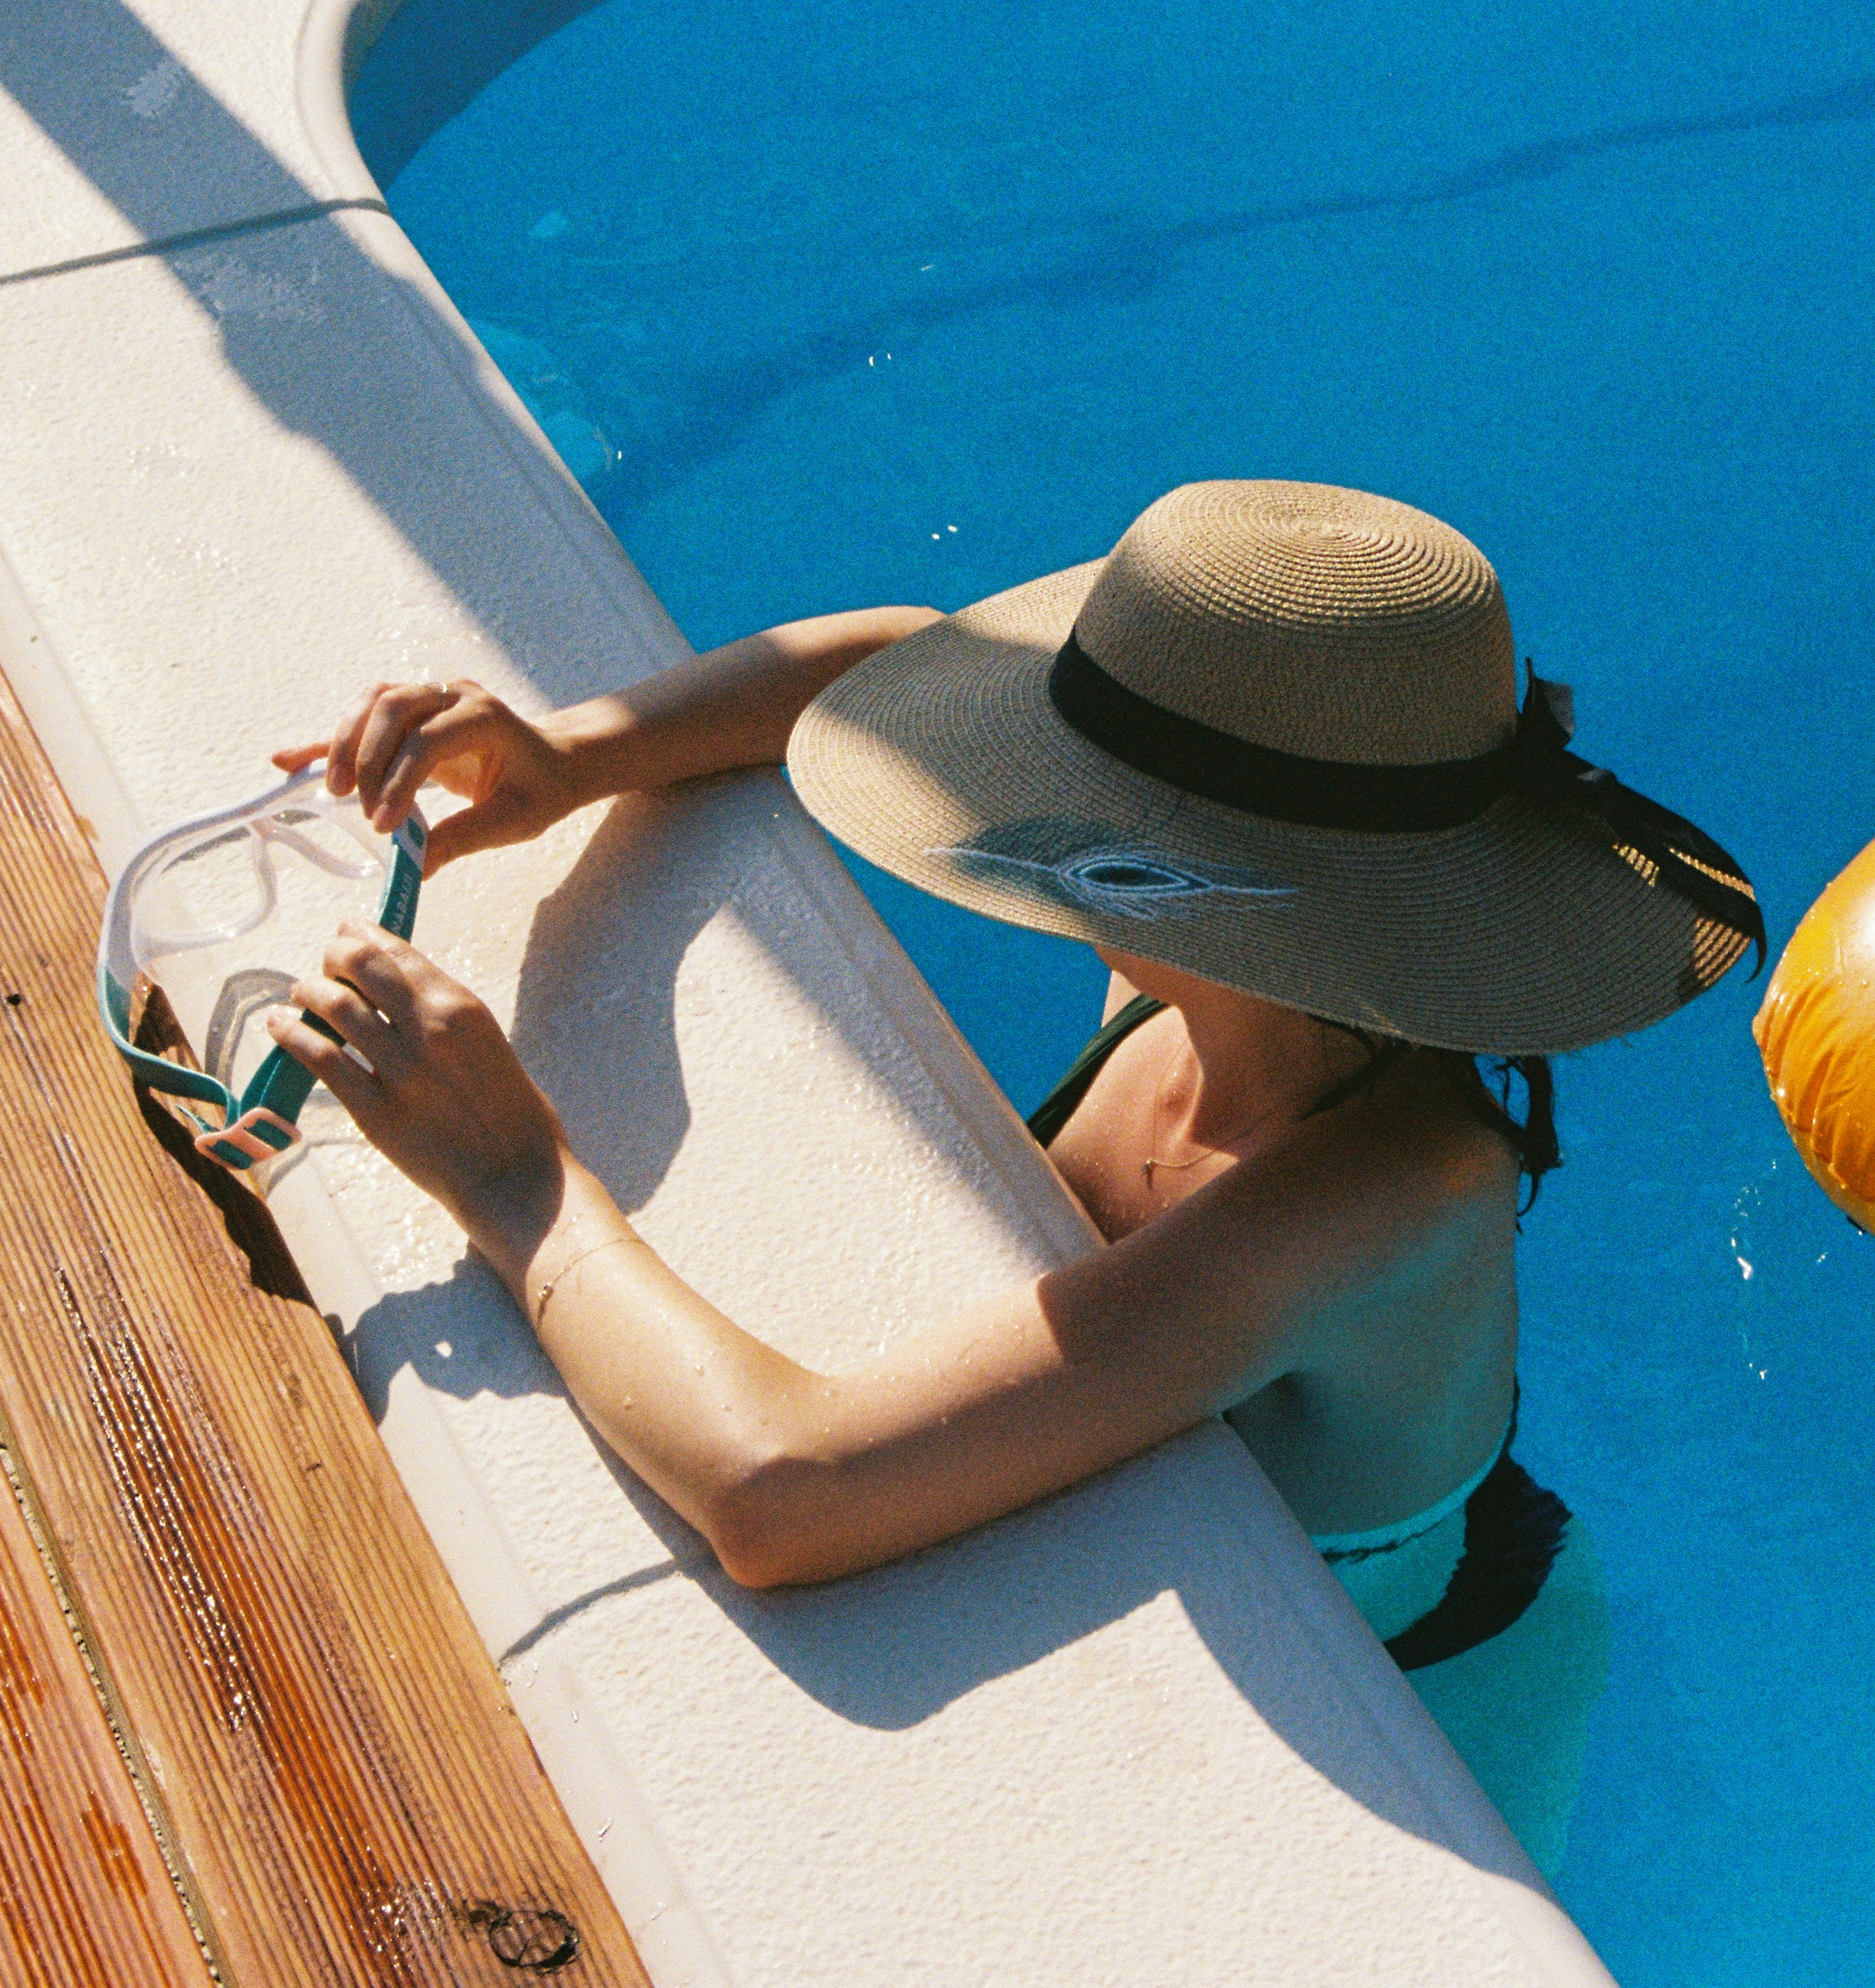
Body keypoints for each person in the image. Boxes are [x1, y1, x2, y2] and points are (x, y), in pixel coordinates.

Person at [263, 480, 1761, 1868]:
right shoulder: (1228, 975)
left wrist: (510, 1167)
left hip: (1436, 1669)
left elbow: (781, 1494)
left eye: (1075, 797)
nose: (1017, 804)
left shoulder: (1379, 1192)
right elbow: (878, 666)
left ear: (1195, 875)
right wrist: (574, 751)